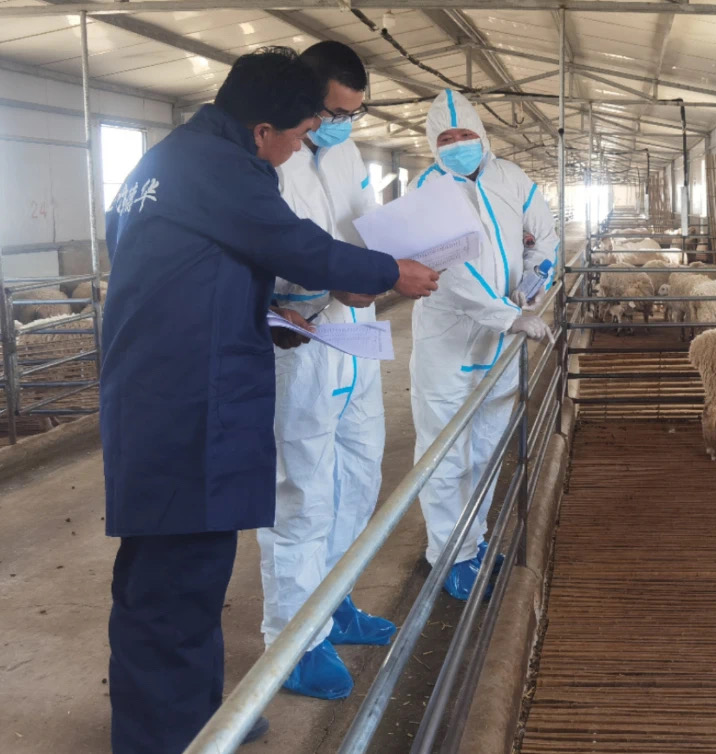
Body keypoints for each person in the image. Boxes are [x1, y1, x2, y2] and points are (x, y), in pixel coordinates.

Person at [102, 47, 439, 754]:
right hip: (185, 404)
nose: (296, 150)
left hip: (165, 390)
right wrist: (390, 272)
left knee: (184, 577)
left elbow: (182, 270)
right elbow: (297, 245)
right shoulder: (221, 167)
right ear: (262, 130)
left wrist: (255, 310)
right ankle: (165, 739)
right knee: (170, 585)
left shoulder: (165, 162)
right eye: (299, 134)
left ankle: (200, 717)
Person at [255, 41, 398, 701]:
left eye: (352, 114)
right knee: (302, 494)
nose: (341, 125)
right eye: (334, 112)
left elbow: (363, 226)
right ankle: (293, 642)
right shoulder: (267, 157)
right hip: (299, 343)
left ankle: (333, 601)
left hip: (355, 331)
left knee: (360, 474)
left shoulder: (345, 153)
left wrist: (394, 255)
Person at [410, 89, 559, 601]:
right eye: (446, 138)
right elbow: (450, 271)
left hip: (500, 337)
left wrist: (537, 276)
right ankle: (446, 556)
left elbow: (545, 233)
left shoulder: (510, 177)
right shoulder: (426, 190)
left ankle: (471, 543)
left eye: (465, 134)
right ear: (433, 144)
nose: (458, 145)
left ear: (482, 135)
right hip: (449, 341)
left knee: (487, 446)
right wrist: (509, 315)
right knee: (446, 450)